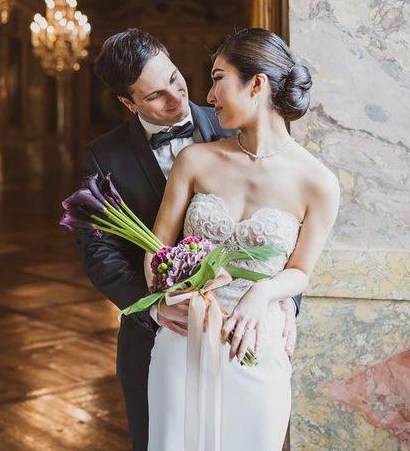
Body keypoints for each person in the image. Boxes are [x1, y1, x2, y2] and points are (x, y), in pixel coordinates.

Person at [75, 29, 302, 451]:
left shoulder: (239, 118)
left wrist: (281, 300)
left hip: (245, 337)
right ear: (129, 104)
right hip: (159, 339)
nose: (177, 99)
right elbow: (98, 252)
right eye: (156, 96)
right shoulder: (104, 157)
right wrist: (156, 308)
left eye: (176, 79)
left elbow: (289, 223)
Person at [145, 28, 340, 450]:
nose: (208, 95)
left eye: (218, 78)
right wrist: (164, 299)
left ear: (257, 84)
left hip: (253, 343)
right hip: (183, 338)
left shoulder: (318, 183)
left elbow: (301, 271)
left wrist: (264, 294)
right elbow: (156, 248)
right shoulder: (194, 160)